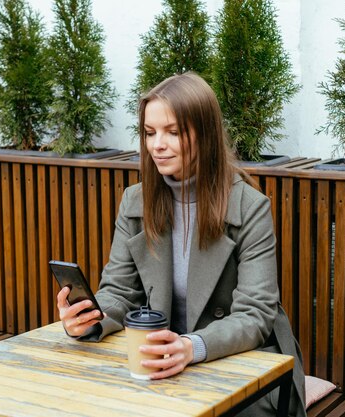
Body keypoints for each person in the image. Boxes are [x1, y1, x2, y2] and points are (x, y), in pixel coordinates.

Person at [56, 72, 305, 417]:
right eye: (149, 132)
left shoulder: (249, 207)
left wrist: (191, 346)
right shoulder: (135, 201)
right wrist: (88, 318)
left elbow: (255, 314)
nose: (157, 144)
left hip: (245, 360)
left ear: (205, 135)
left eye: (173, 132)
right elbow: (119, 292)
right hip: (160, 356)